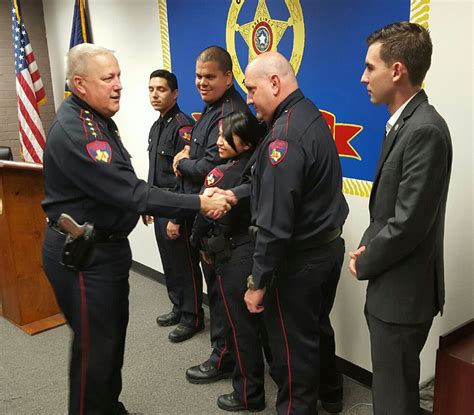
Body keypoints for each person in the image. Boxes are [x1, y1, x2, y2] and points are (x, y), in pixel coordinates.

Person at [41, 43, 232, 415]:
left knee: (108, 343)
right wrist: (199, 202)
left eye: (119, 76)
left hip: (103, 250)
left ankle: (107, 407)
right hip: (84, 256)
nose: (118, 85)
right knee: (94, 352)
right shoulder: (80, 131)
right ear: (80, 84)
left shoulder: (94, 118)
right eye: (108, 78)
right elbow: (133, 192)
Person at [237, 51, 349, 414]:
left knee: (290, 350)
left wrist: (257, 284)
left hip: (299, 263)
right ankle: (332, 394)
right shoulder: (308, 114)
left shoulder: (282, 138)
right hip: (327, 249)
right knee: (316, 330)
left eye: (252, 90)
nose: (249, 99)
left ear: (274, 83)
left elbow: (274, 225)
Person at [349, 22, 452, 414]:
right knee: (394, 391)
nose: (363, 77)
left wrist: (365, 260)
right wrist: (366, 246)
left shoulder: (425, 130)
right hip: (392, 286)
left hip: (403, 295)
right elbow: (388, 210)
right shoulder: (403, 124)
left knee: (394, 399)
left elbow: (408, 223)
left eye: (370, 67)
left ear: (396, 71)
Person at [173, 46, 250, 382]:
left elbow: (212, 165)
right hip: (205, 213)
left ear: (228, 77)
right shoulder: (212, 108)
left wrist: (183, 162)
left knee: (222, 299)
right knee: (218, 295)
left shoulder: (229, 111)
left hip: (221, 220)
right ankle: (228, 353)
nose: (202, 83)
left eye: (210, 77)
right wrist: (190, 152)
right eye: (198, 76)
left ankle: (223, 358)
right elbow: (199, 148)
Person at [191, 111, 267, 412]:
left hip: (233, 255)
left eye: (227, 137)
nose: (219, 142)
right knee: (255, 325)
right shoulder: (256, 169)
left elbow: (203, 216)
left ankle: (249, 394)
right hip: (253, 251)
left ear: (246, 143)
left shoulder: (222, 176)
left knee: (239, 328)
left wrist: (195, 242)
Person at [144, 69, 197, 330]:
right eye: (151, 89)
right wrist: (147, 203)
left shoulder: (182, 126)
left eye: (161, 89)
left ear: (175, 93)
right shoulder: (157, 126)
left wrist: (176, 217)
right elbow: (154, 168)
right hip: (159, 204)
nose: (155, 94)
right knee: (169, 262)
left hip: (176, 207)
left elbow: (185, 178)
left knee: (184, 264)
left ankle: (192, 317)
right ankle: (178, 306)